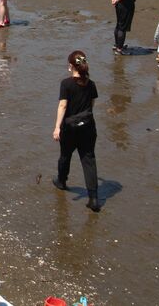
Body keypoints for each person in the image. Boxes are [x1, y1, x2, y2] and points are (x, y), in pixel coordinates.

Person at [51, 50, 101, 212]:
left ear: (72, 66)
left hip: (70, 128)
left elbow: (63, 106)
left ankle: (61, 181)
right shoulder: (91, 84)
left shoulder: (66, 84)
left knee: (65, 155)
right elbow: (92, 104)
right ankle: (93, 198)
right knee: (88, 160)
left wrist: (57, 127)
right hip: (88, 127)